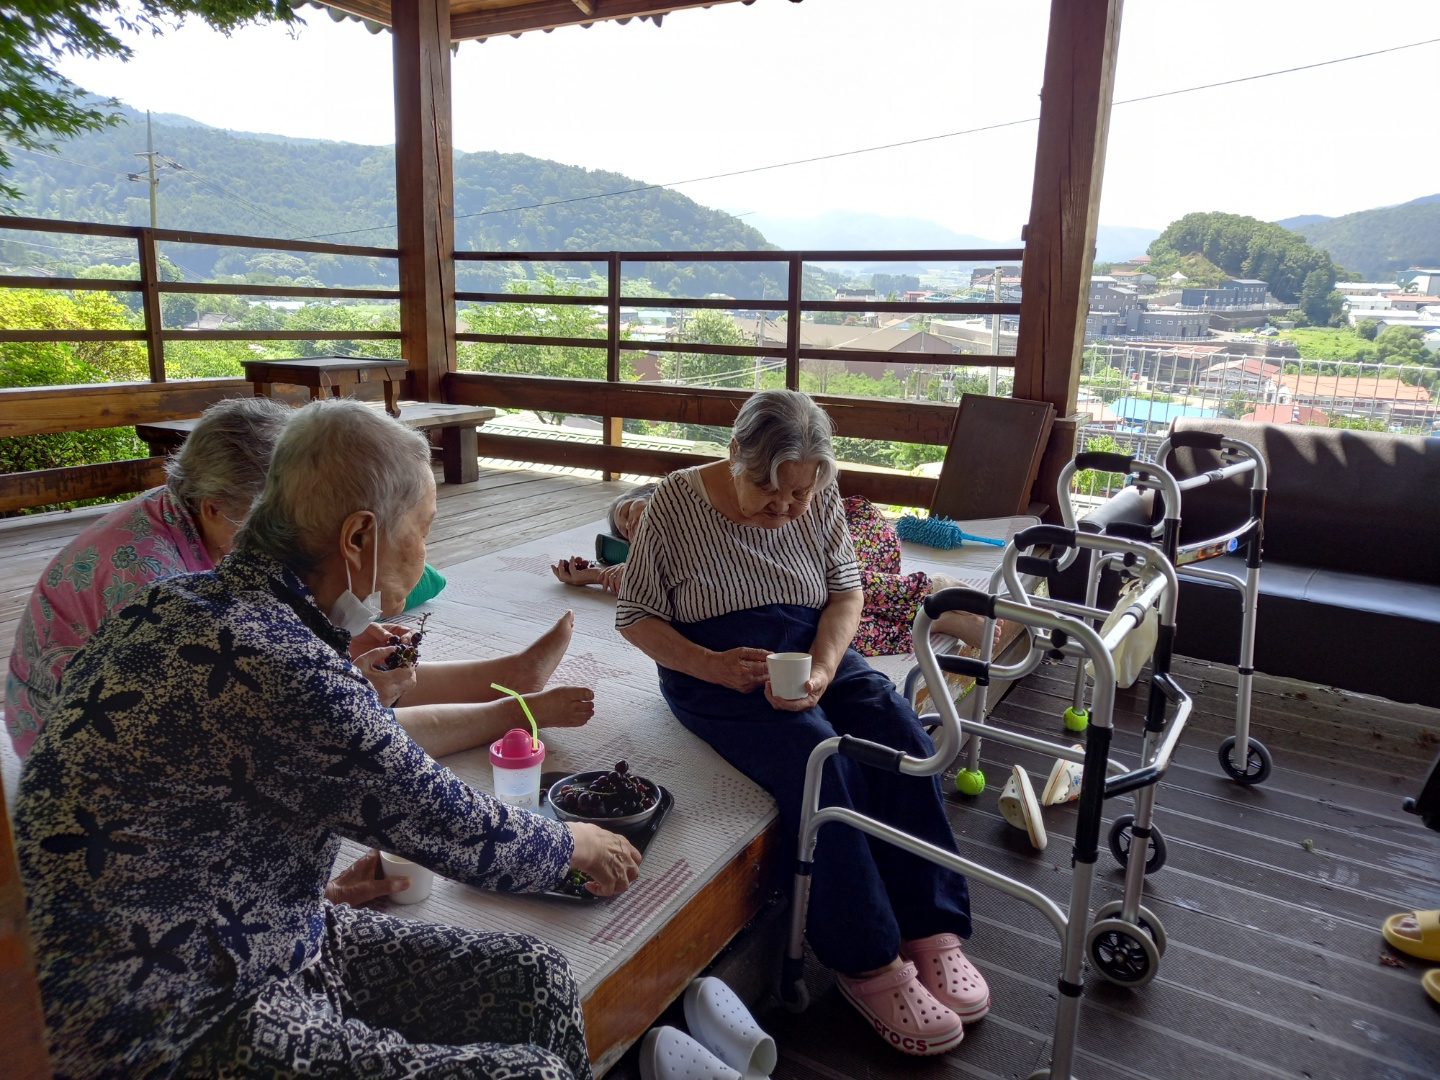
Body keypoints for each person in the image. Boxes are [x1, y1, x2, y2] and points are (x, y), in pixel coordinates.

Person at [14, 398, 640, 1079]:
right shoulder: (280, 665)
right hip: (169, 1022)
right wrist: (576, 843)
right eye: (423, 528)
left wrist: (312, 889)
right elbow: (450, 825)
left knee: (535, 977)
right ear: (359, 538)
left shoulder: (174, 601)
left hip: (251, 925)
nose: (425, 551)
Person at [614, 389, 989, 1057]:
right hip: (714, 664)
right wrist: (710, 665)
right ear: (735, 453)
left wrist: (823, 668)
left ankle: (929, 925)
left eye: (800, 494)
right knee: (819, 759)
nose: (785, 508)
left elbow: (846, 591)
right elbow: (635, 615)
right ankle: (867, 960)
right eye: (768, 488)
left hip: (809, 643)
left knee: (897, 727)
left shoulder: (819, 491)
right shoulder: (674, 502)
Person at [6, 400, 596, 766]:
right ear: (214, 508)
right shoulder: (150, 579)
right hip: (87, 744)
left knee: (354, 673)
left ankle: (510, 675)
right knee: (341, 719)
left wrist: (341, 640)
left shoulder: (185, 523)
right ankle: (507, 711)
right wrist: (347, 687)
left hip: (169, 710)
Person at [554, 484, 998, 657]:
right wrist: (592, 575)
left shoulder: (702, 507)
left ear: (656, 499)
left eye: (633, 512)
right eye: (626, 530)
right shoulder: (658, 556)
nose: (633, 525)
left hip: (855, 533)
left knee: (814, 585)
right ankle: (931, 617)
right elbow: (653, 599)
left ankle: (931, 589)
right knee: (811, 630)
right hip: (850, 579)